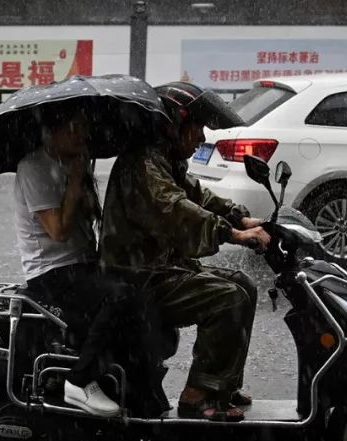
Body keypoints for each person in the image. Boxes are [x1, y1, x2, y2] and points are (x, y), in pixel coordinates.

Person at [99, 81, 272, 422]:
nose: (202, 138)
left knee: (244, 285)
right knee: (228, 297)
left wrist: (241, 216)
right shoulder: (145, 163)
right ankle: (197, 394)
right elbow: (176, 208)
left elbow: (198, 196)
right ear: (174, 124)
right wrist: (233, 234)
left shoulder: (164, 158)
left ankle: (222, 382)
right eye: (197, 128)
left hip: (161, 269)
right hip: (139, 278)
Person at [14, 102, 136, 417]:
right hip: (52, 273)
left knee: (142, 286)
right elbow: (58, 230)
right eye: (76, 128)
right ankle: (80, 381)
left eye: (84, 127)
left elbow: (91, 225)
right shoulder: (34, 167)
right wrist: (77, 178)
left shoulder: (72, 161)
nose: (84, 134)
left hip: (82, 265)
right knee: (119, 297)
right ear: (53, 132)